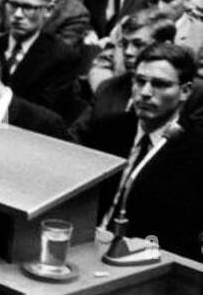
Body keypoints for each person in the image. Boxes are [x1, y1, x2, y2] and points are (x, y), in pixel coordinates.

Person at [81, 43, 203, 262]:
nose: (145, 93)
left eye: (160, 85)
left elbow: (183, 235)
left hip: (150, 262)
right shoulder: (107, 129)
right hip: (86, 248)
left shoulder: (195, 150)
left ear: (185, 91)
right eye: (139, 81)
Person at [0, 0, 85, 121]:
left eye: (27, 8)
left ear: (48, 10)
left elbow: (45, 117)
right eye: (13, 5)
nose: (18, 15)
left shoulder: (62, 58)